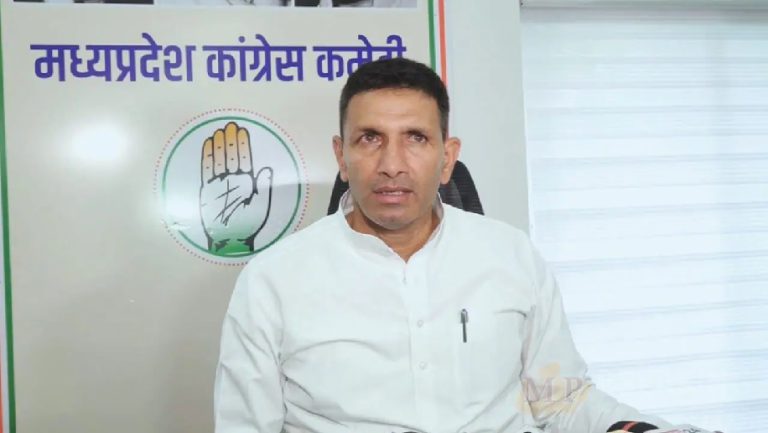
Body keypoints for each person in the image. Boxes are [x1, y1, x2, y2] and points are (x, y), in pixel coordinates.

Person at [214, 58, 721, 433]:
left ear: (448, 157)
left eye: (416, 137)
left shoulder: (511, 256)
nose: (392, 164)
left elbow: (559, 399)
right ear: (341, 156)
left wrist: (637, 429)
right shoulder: (273, 280)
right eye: (370, 138)